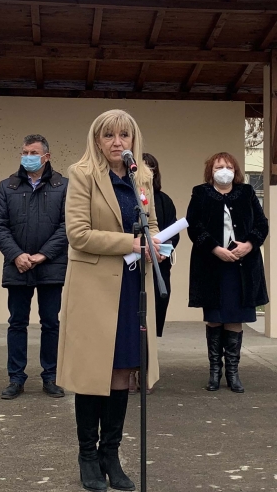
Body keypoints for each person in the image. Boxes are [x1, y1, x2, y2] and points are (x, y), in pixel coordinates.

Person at [57, 109, 163, 492]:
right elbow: (78, 233)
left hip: (131, 286)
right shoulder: (82, 174)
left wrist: (156, 244)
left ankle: (110, 455)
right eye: (109, 135)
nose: (118, 142)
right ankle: (87, 455)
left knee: (122, 370)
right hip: (93, 288)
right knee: (92, 373)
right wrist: (131, 243)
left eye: (124, 135)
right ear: (97, 140)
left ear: (133, 139)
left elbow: (150, 224)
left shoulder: (141, 176)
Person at [0, 134, 68, 400]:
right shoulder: (7, 186)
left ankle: (51, 377)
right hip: (18, 267)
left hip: (51, 266)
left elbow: (68, 225)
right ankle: (16, 378)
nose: (28, 157)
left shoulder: (63, 186)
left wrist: (43, 255)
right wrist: (16, 255)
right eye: (24, 152)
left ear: (46, 156)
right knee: (17, 323)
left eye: (33, 153)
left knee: (51, 323)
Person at [186, 152, 268, 394]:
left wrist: (249, 244)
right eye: (218, 167)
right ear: (210, 171)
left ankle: (233, 372)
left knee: (234, 317)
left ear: (236, 171)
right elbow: (194, 226)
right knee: (215, 316)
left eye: (229, 167)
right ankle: (214, 371)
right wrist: (215, 249)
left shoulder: (247, 192)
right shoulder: (200, 193)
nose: (224, 171)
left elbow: (261, 224)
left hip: (242, 266)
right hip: (211, 265)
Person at [126, 153, 179, 396]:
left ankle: (146, 371)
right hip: (129, 264)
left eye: (152, 167)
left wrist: (161, 251)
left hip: (156, 265)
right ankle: (129, 371)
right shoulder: (128, 196)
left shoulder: (163, 200)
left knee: (150, 321)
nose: (147, 171)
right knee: (130, 320)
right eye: (143, 166)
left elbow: (173, 233)